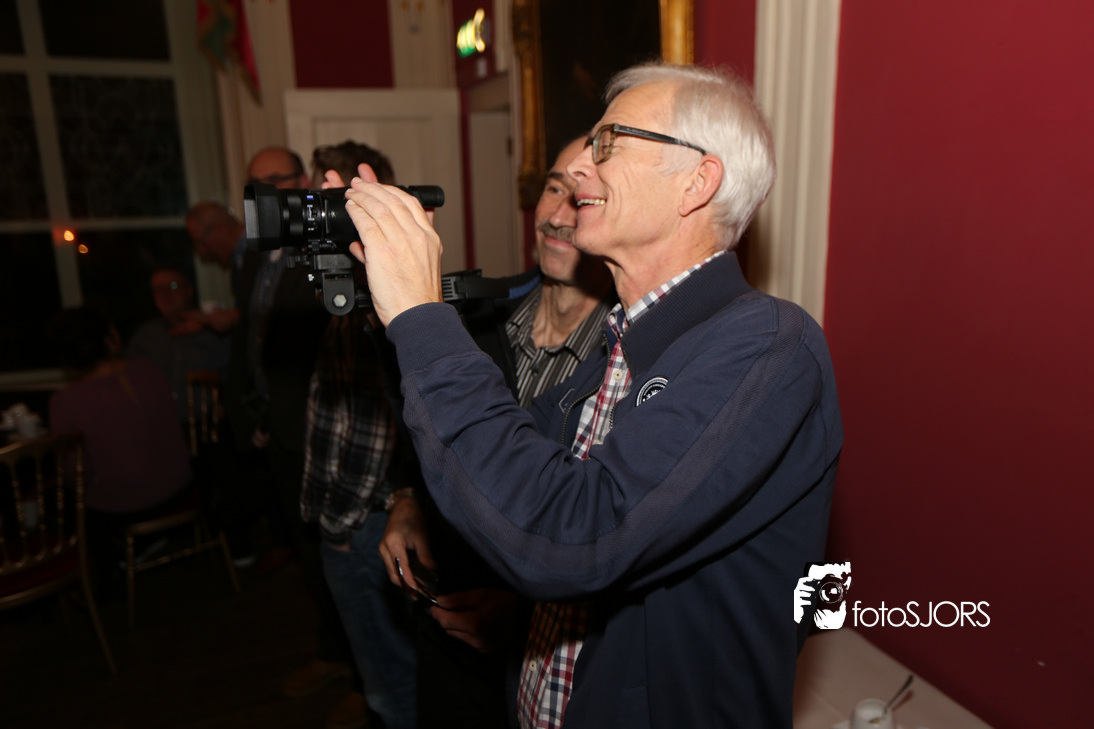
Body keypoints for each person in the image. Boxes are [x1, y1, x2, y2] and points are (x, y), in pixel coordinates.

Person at [340, 62, 843, 729]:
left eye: (608, 142)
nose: (579, 166)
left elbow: (573, 534)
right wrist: (392, 298)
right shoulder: (619, 341)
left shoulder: (768, 344)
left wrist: (423, 318)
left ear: (697, 181)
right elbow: (509, 485)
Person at [377, 137, 615, 729]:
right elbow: (422, 428)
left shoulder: (624, 365)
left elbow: (617, 534)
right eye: (554, 187)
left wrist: (533, 616)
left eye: (582, 198)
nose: (558, 215)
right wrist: (406, 502)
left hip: (542, 664)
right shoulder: (472, 314)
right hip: (444, 626)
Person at [301, 140, 414, 729]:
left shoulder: (378, 293)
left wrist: (340, 524)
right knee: (383, 672)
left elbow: (372, 425)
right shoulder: (345, 281)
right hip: (351, 516)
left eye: (323, 197)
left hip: (363, 522)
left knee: (391, 688)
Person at [48, 306, 193, 583]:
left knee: (62, 502)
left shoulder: (64, 401)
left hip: (127, 506)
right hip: (182, 486)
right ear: (109, 338)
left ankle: (99, 574)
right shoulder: (146, 368)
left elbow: (76, 474)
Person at [124, 267, 232, 424]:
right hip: (161, 427)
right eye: (158, 289)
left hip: (209, 426)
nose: (166, 294)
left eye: (173, 286)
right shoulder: (145, 338)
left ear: (189, 290)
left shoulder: (215, 330)